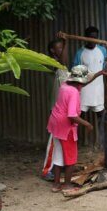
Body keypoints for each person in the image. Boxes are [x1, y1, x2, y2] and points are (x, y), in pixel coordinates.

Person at [42, 65, 107, 192]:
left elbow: (83, 82)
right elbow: (72, 115)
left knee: (58, 156)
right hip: (66, 128)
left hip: (55, 124)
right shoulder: (74, 93)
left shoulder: (65, 85)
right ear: (79, 82)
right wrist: (87, 124)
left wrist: (99, 74)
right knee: (71, 157)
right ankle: (67, 184)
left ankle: (56, 185)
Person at [42, 33, 70, 182]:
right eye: (59, 47)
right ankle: (47, 170)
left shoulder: (62, 66)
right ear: (52, 51)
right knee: (53, 141)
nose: (62, 49)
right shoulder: (51, 63)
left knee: (60, 140)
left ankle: (58, 167)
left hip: (63, 108)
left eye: (62, 47)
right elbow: (64, 61)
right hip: (56, 109)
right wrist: (66, 41)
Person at [73, 26, 107, 145]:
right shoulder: (80, 53)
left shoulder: (102, 51)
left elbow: (105, 67)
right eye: (91, 37)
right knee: (77, 117)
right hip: (84, 92)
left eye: (95, 38)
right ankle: (73, 141)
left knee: (101, 117)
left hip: (99, 91)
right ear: (85, 38)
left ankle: (103, 144)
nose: (93, 40)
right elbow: (76, 74)